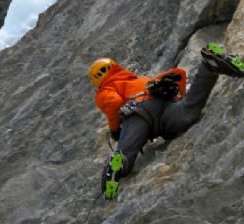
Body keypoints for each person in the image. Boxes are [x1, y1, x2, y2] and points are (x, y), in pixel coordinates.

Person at [89, 43, 244, 199]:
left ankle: (118, 163)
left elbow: (114, 103)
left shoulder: (105, 89)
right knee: (188, 111)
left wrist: (115, 130)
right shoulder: (140, 79)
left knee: (127, 151)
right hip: (164, 105)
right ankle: (209, 66)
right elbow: (179, 77)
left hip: (138, 113)